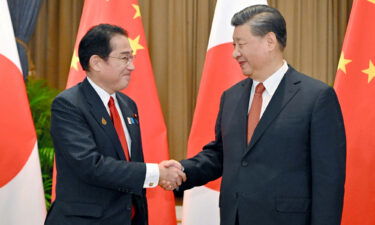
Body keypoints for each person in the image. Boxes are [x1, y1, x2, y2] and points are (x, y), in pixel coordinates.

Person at [165, 5, 346, 225]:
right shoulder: (231, 97)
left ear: (270, 41)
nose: (234, 53)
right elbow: (221, 155)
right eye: (234, 45)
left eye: (241, 44)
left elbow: (328, 180)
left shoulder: (316, 97)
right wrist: (182, 171)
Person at [44, 24, 185, 225]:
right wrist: (155, 173)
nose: (132, 66)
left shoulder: (128, 105)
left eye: (132, 57)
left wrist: (157, 172)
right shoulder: (69, 104)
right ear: (96, 62)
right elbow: (90, 165)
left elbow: (128, 163)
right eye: (124, 58)